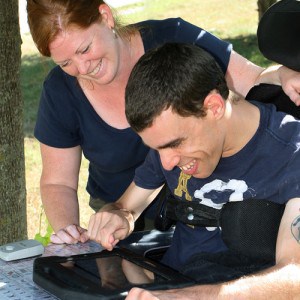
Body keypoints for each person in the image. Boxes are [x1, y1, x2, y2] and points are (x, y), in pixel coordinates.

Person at [26, 0, 300, 245]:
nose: (82, 69)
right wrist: (71, 232)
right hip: (123, 206)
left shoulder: (175, 42)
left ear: (105, 17)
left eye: (84, 49)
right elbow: (57, 183)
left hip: (202, 197)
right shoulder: (61, 92)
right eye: (66, 63)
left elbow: (253, 82)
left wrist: (283, 75)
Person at [87, 43, 300, 299]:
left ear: (214, 107)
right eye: (157, 148)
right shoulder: (171, 142)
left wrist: (185, 297)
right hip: (169, 282)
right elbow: (126, 207)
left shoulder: (291, 153)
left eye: (174, 144)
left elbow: (294, 276)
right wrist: (116, 217)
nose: (166, 162)